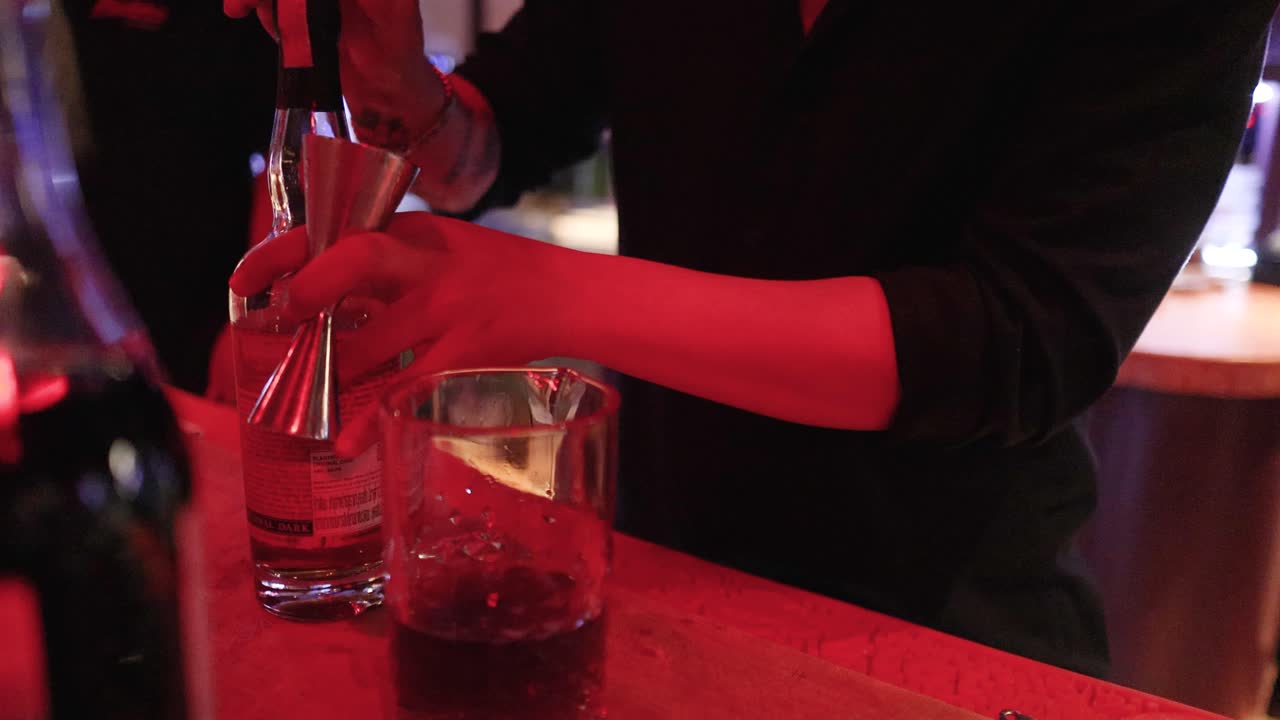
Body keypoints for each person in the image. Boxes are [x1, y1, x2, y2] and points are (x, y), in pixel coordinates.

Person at [224, 0, 1277, 676]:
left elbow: (1017, 340)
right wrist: (403, 88)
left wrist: (545, 294)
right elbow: (493, 143)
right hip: (658, 594)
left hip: (935, 631)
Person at [65, 0, 275, 394]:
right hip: (76, 294)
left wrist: (251, 324)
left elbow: (278, 159)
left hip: (209, 288)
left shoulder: (234, 12)